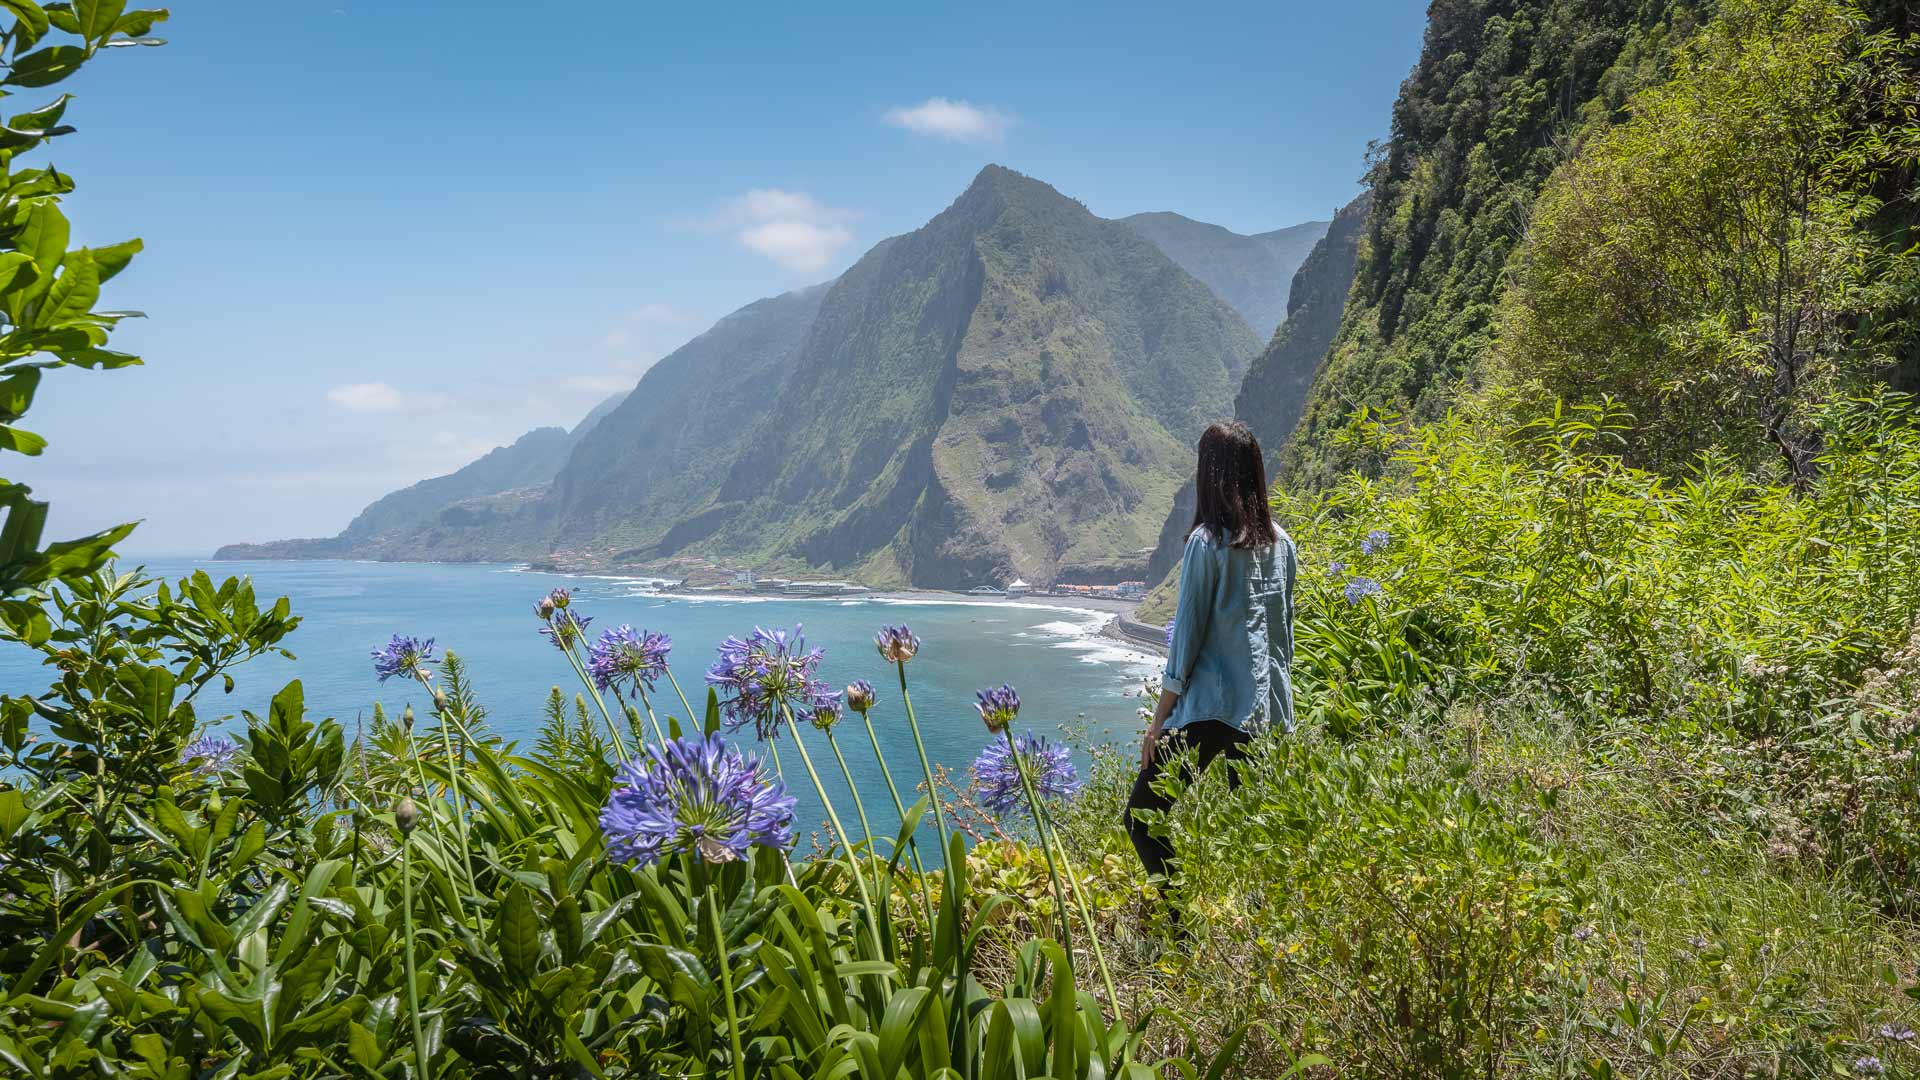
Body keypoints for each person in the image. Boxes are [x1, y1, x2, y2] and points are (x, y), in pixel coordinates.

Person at [1127, 420, 1296, 880]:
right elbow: (1283, 640)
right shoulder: (1283, 545)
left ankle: (1181, 927)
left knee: (1144, 819)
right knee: (1254, 837)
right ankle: (1252, 936)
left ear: (1210, 475)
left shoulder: (1207, 544)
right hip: (1263, 713)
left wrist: (1159, 721)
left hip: (1209, 710)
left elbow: (1186, 640)